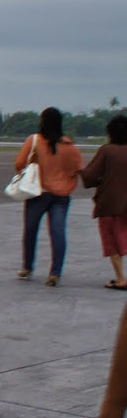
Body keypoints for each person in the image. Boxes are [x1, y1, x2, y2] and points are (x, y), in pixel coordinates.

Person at [16, 107, 85, 285]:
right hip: (61, 196)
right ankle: (55, 273)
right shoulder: (69, 146)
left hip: (37, 194)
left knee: (30, 230)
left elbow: (19, 164)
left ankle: (27, 267)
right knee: (58, 232)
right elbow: (77, 169)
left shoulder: (34, 141)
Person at [83, 115, 127, 290]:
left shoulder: (106, 151)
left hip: (109, 203)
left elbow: (90, 175)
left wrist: (82, 173)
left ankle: (121, 278)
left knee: (111, 240)